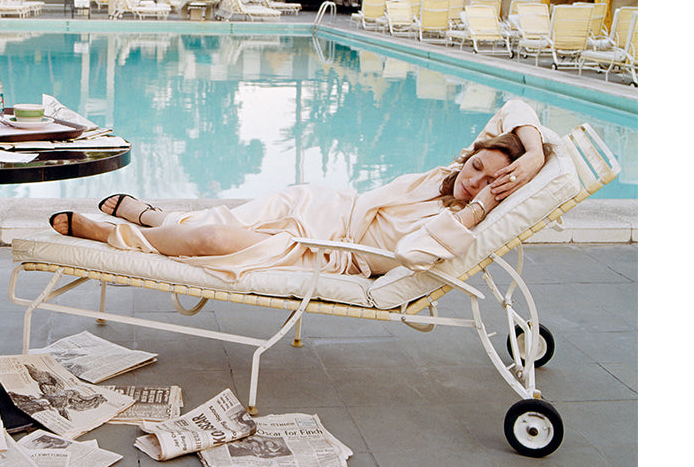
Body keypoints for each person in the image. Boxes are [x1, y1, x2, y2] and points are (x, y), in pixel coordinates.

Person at [49, 99, 554, 281]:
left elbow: (411, 255)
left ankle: (116, 233)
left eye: (491, 182)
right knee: (221, 223)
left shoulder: (462, 222)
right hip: (317, 205)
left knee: (213, 240)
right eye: (480, 167)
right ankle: (153, 218)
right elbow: (517, 107)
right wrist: (530, 156)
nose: (476, 181)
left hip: (329, 254)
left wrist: (484, 203)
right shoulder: (448, 173)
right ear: (474, 154)